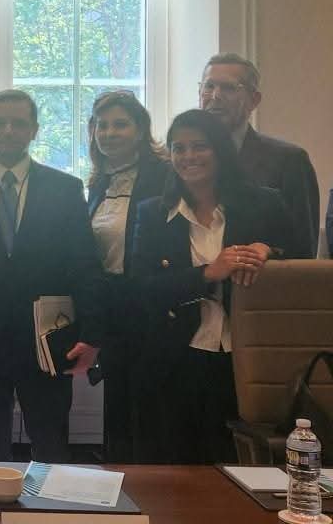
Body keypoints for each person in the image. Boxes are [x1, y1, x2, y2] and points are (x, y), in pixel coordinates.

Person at [0, 89, 104, 463]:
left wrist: (92, 335)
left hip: (49, 340)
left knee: (52, 446)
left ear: (34, 130)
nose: (8, 130)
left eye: (18, 123)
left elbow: (85, 266)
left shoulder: (65, 188)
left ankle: (49, 504)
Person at [129, 109, 302, 464]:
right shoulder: (152, 213)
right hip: (177, 356)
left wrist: (269, 251)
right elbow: (141, 289)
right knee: (180, 465)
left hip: (249, 357)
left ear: (220, 150)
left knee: (243, 464)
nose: (188, 156)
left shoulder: (265, 204)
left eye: (199, 146)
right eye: (178, 148)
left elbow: (302, 264)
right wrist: (208, 273)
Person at [84, 91, 171, 463]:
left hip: (152, 310)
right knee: (116, 405)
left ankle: (147, 484)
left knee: (149, 410)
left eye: (120, 124)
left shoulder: (165, 177)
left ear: (140, 129)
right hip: (112, 309)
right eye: (102, 125)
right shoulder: (98, 183)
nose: (109, 133)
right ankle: (118, 479)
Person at [199, 52, 319, 257]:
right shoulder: (182, 161)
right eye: (209, 86)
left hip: (261, 276)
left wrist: (268, 252)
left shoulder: (289, 161)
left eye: (228, 88)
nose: (215, 96)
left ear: (254, 100)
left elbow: (302, 249)